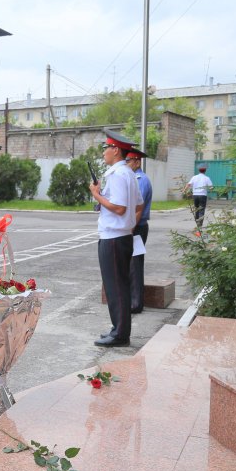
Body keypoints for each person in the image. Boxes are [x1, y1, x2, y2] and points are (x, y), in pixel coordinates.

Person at [90, 129, 143, 348]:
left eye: (106, 148)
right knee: (117, 284)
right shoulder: (127, 173)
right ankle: (118, 330)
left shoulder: (118, 174)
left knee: (116, 286)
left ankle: (120, 334)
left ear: (115, 150)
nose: (103, 153)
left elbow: (120, 208)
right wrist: (129, 224)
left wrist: (96, 195)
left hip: (113, 237)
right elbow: (137, 205)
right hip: (119, 236)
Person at [126, 149, 152, 314]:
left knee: (135, 266)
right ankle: (131, 300)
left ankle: (136, 303)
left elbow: (137, 207)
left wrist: (130, 229)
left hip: (137, 227)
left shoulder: (140, 180)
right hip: (133, 226)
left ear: (137, 162)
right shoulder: (133, 178)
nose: (127, 164)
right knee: (130, 265)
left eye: (128, 161)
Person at [184, 166, 213, 234]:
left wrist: (184, 190)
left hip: (195, 195)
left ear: (199, 171)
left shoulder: (194, 177)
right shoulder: (207, 178)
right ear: (205, 171)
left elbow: (188, 184)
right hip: (203, 195)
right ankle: (199, 228)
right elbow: (211, 187)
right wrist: (210, 189)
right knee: (201, 211)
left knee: (196, 210)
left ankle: (197, 225)